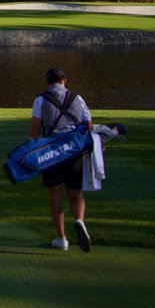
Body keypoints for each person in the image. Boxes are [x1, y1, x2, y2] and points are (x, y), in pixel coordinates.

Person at [31, 68, 93, 252]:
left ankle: (61, 238)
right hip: (74, 150)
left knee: (55, 195)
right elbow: (89, 125)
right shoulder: (77, 98)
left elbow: (35, 131)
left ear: (48, 81)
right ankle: (79, 220)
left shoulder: (40, 100)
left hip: (52, 152)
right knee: (76, 194)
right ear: (64, 80)